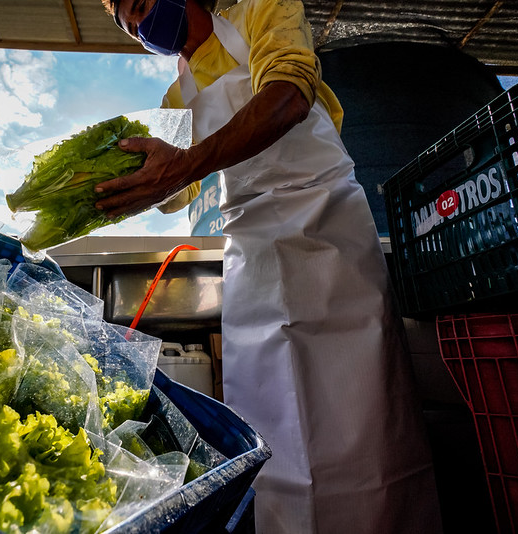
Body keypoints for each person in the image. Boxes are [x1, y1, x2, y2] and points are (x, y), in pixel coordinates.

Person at [96, 0, 444, 532]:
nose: (143, 25)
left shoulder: (260, 10)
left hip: (322, 224)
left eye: (142, 6)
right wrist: (134, 183)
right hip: (251, 251)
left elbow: (287, 97)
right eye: (131, 26)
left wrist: (185, 163)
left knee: (361, 410)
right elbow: (184, 184)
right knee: (271, 424)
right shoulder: (175, 95)